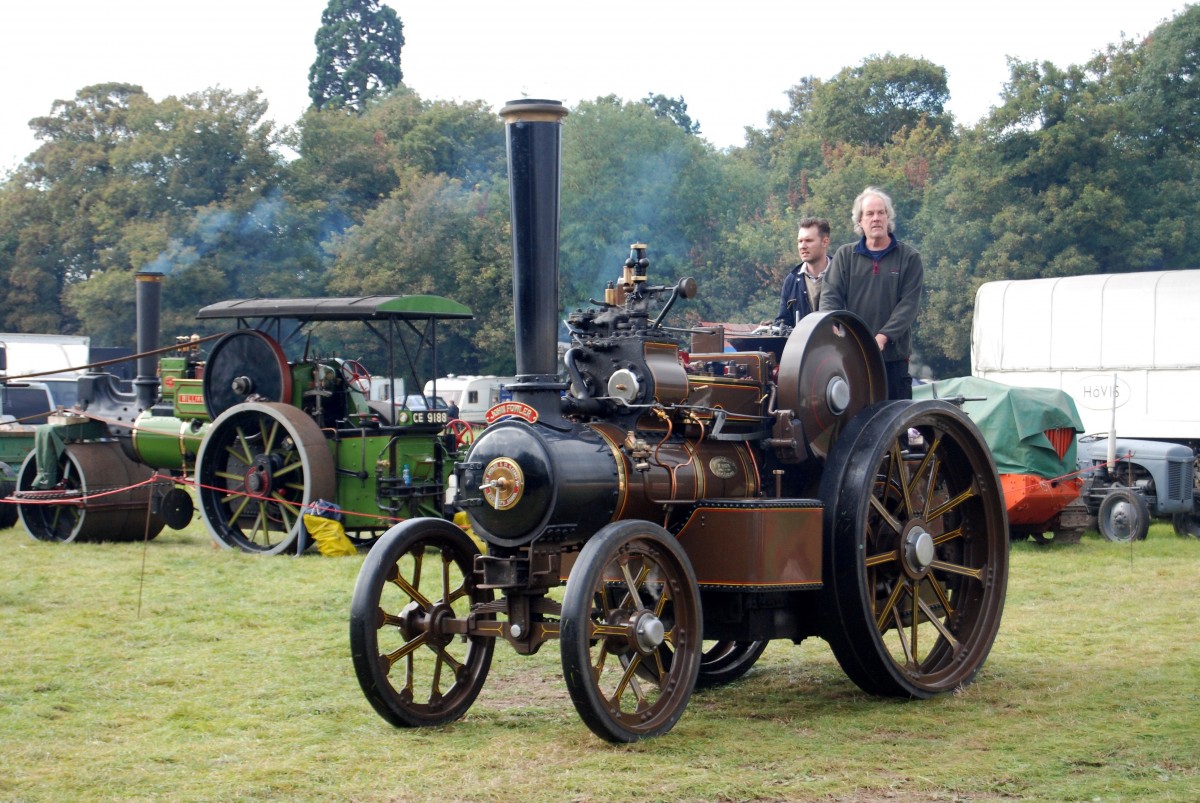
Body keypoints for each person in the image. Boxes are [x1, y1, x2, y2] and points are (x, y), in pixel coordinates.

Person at [820, 187, 924, 400]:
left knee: (896, 417)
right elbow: (830, 296)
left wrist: (883, 337)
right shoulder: (845, 256)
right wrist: (831, 325)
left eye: (881, 212)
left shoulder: (909, 257)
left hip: (894, 359)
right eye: (869, 213)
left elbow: (908, 305)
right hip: (853, 357)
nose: (876, 218)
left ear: (888, 217)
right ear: (860, 221)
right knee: (856, 416)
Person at [774, 217, 832, 328]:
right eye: (800, 241)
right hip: (801, 340)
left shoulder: (842, 275)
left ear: (825, 242)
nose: (803, 246)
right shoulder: (791, 280)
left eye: (808, 241)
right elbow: (783, 321)